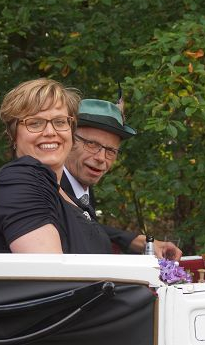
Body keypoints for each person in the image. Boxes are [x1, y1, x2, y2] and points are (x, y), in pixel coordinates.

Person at [0, 78, 113, 253]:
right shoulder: (19, 182)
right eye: (35, 123)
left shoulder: (64, 194)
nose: (50, 132)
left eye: (60, 122)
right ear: (13, 135)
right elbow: (47, 268)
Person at [61, 98, 182, 260]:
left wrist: (139, 241)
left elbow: (87, 226)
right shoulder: (45, 186)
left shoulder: (82, 184)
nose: (101, 158)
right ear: (67, 140)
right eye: (92, 144)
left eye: (111, 151)